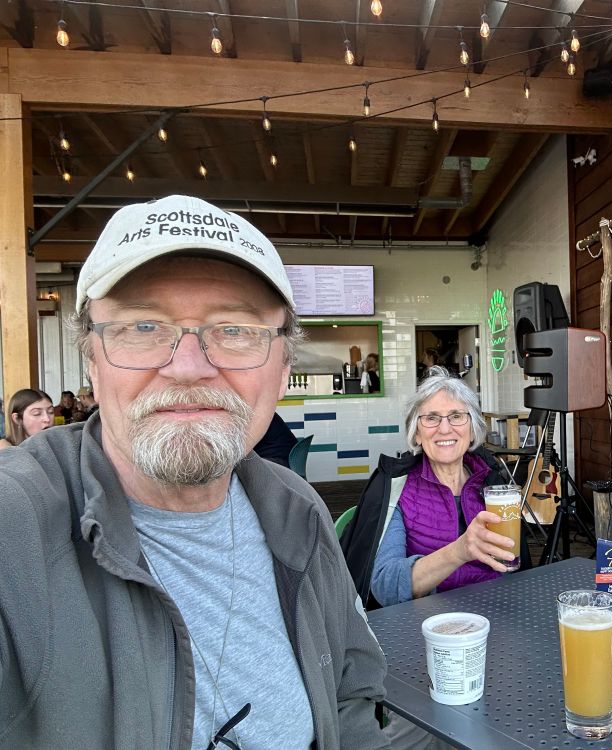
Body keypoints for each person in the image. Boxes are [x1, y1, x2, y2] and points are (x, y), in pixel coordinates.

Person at [0, 195, 388, 749]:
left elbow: (352, 696)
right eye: (142, 326)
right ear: (92, 361)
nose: (187, 367)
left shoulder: (298, 509)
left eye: (234, 329)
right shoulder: (14, 527)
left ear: (282, 373)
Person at [341, 365, 524, 749]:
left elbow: (514, 566)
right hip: (421, 643)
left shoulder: (494, 481)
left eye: (456, 416)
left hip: (498, 633)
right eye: (431, 418)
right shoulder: (397, 488)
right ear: (416, 431)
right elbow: (386, 585)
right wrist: (460, 551)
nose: (445, 428)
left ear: (472, 428)